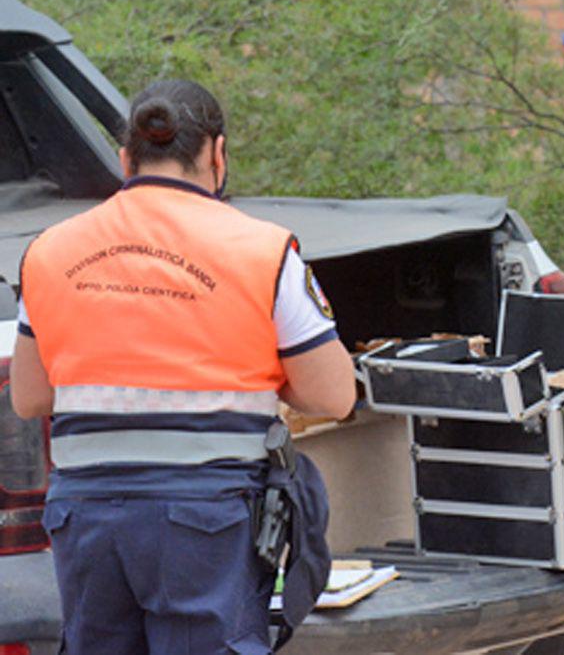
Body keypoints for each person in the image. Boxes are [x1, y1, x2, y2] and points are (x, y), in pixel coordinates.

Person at [7, 79, 356, 654]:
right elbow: (334, 395)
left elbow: (29, 397)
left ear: (126, 159)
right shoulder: (261, 250)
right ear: (217, 155)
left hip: (86, 519)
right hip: (205, 518)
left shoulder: (48, 251)